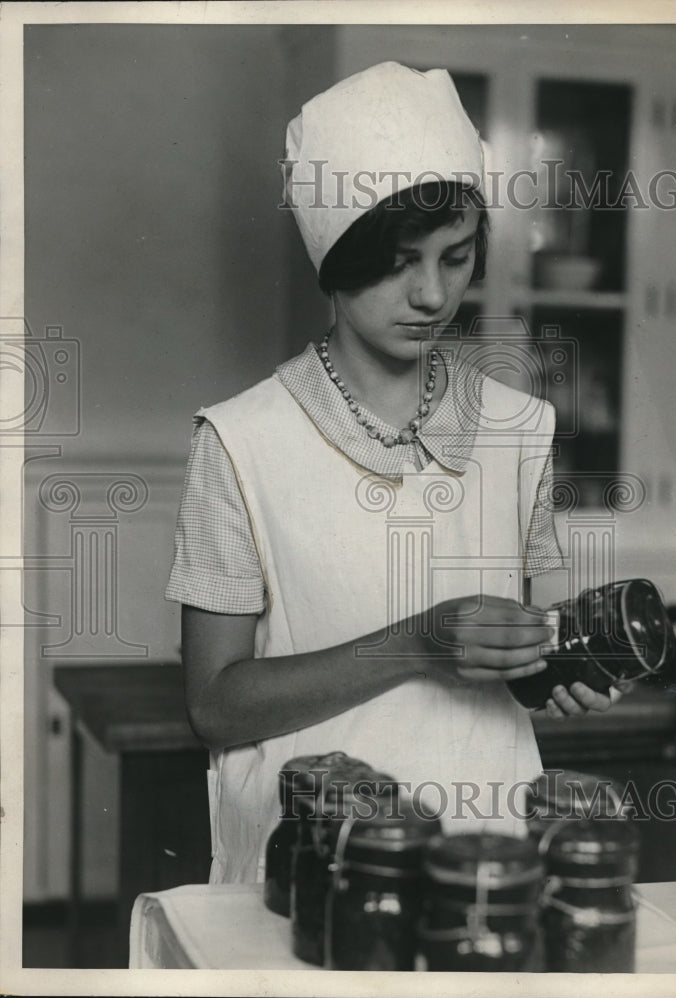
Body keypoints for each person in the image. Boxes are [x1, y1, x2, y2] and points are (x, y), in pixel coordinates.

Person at [165, 62, 625, 884]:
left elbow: (543, 637)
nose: (430, 294)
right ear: (334, 263)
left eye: (455, 259)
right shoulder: (239, 442)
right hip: (313, 859)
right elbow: (213, 706)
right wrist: (413, 645)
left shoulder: (520, 429)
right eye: (398, 262)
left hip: (486, 852)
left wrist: (559, 672)